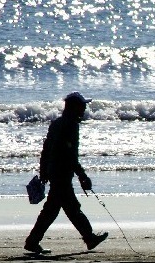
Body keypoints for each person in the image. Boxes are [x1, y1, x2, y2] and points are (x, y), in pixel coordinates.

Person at [24, 92, 108, 254]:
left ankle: (33, 241)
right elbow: (70, 155)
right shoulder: (71, 125)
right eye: (83, 105)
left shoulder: (57, 123)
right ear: (75, 107)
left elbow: (46, 149)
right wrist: (82, 175)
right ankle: (89, 238)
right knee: (70, 208)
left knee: (54, 210)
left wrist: (44, 170)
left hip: (54, 172)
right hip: (62, 174)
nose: (84, 108)